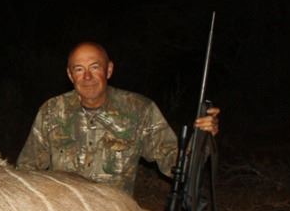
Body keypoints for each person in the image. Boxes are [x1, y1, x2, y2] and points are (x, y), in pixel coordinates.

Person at [16, 41, 220, 195]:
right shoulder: (51, 111)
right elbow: (26, 171)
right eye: (79, 69)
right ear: (70, 75)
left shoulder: (139, 109)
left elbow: (176, 166)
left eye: (94, 67)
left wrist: (202, 138)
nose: (87, 77)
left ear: (109, 70)